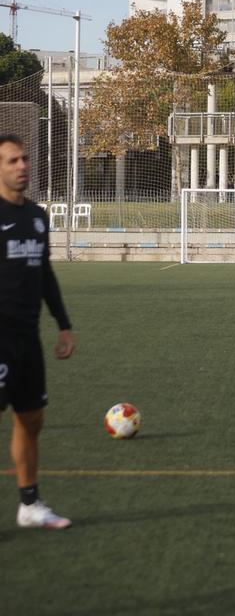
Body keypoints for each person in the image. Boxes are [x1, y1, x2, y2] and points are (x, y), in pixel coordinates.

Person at [0, 134, 75, 529]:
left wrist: (64, 325)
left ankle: (29, 505)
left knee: (31, 420)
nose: (22, 166)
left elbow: (44, 273)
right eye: (12, 160)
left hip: (27, 339)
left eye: (25, 159)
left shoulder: (37, 216)